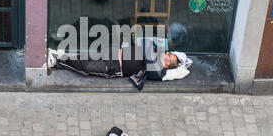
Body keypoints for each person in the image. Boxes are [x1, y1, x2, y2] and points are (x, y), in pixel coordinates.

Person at [48, 38, 181, 90]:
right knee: (86, 56)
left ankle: (57, 62)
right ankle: (61, 56)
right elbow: (146, 41)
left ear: (168, 63)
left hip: (115, 68)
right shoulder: (155, 49)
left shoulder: (159, 72)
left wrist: (153, 58)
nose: (166, 53)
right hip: (114, 53)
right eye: (169, 53)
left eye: (169, 56)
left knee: (86, 67)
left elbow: (152, 68)